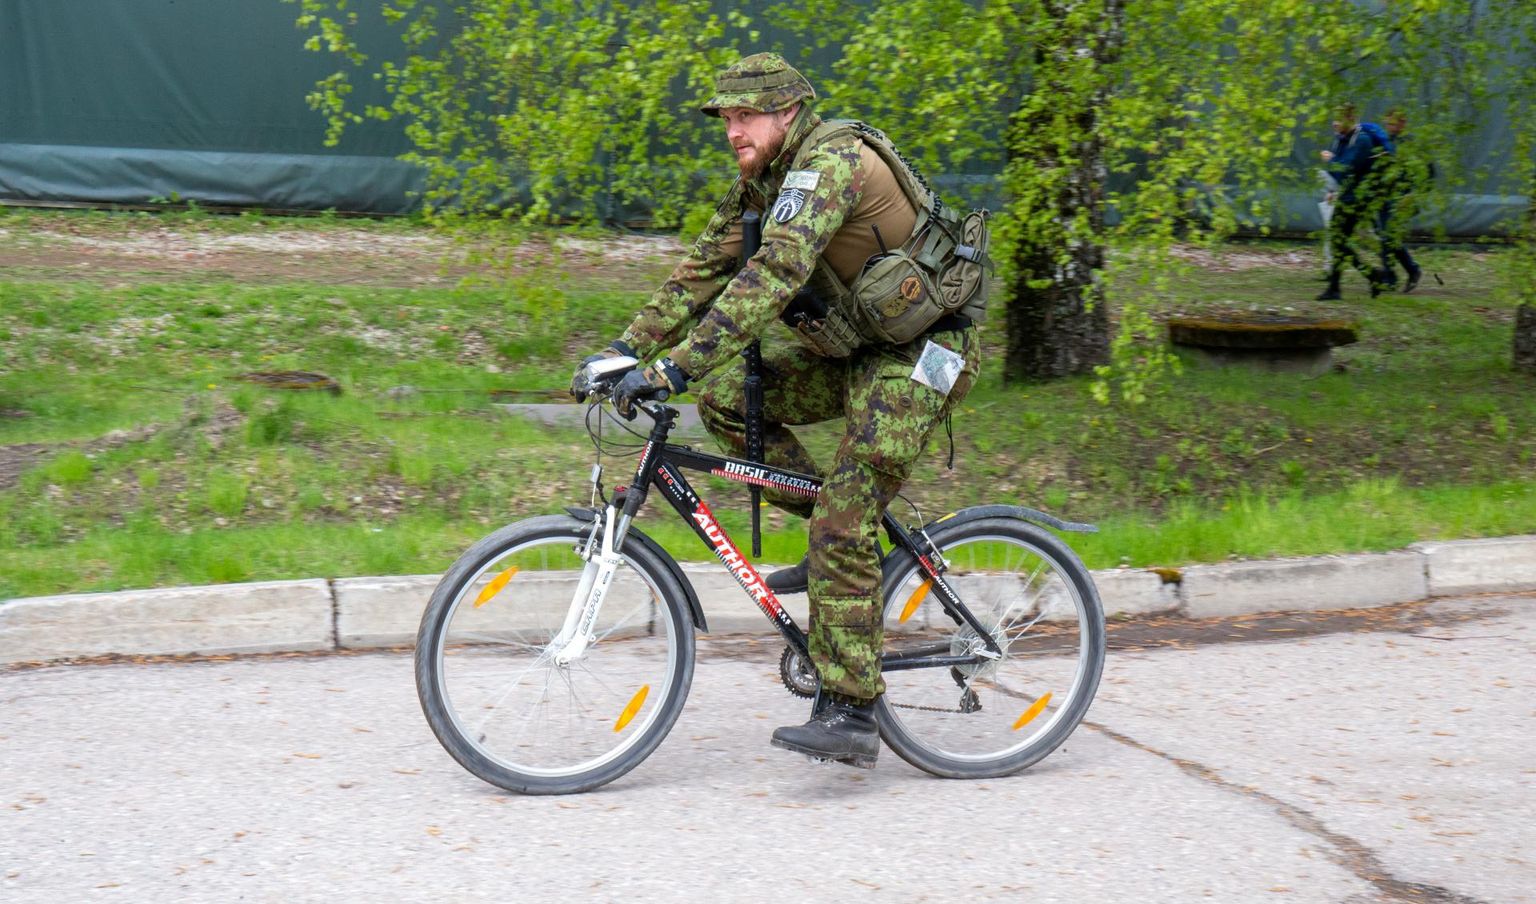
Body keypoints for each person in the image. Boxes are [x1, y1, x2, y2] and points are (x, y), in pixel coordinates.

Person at [570, 52, 985, 769]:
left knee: (841, 517)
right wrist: (621, 350)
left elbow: (774, 274)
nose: (732, 131)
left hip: (926, 355)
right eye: (725, 119)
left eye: (744, 116)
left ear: (787, 113)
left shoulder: (830, 165)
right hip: (862, 349)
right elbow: (702, 271)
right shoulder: (763, 184)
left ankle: (852, 710)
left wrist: (671, 368)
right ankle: (843, 551)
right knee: (729, 404)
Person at [1317, 104, 1394, 301]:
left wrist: (1331, 160)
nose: (1334, 123)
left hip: (1359, 198)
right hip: (1348, 195)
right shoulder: (1342, 140)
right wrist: (1333, 190)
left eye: (1338, 119)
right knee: (1338, 241)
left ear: (1350, 119)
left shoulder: (1362, 140)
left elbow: (1347, 168)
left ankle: (1365, 276)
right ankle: (1351, 282)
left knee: (1338, 240)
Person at [1373, 109, 1425, 292]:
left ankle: (1391, 277)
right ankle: (1411, 270)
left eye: (1393, 123)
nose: (1389, 127)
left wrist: (1413, 194)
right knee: (1388, 238)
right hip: (1384, 197)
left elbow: (1425, 172)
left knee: (1388, 237)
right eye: (1387, 123)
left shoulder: (1410, 144)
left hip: (1402, 198)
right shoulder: (1384, 142)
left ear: (1403, 123)